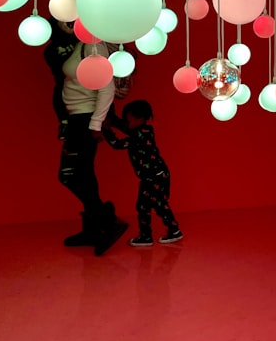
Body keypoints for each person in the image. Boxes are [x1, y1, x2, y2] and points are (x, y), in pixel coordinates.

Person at [43, 19, 128, 256]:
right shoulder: (79, 45)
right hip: (76, 118)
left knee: (70, 175)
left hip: (85, 119)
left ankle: (107, 221)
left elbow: (106, 87)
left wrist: (95, 124)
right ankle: (93, 227)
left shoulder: (93, 46)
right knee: (83, 172)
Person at [104, 100, 183, 246]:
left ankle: (171, 230)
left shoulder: (138, 137)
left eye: (128, 119)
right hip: (154, 175)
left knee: (155, 204)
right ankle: (148, 235)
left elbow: (117, 144)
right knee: (146, 205)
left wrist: (106, 129)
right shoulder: (145, 130)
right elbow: (127, 128)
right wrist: (114, 120)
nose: (126, 122)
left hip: (155, 177)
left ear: (139, 119)